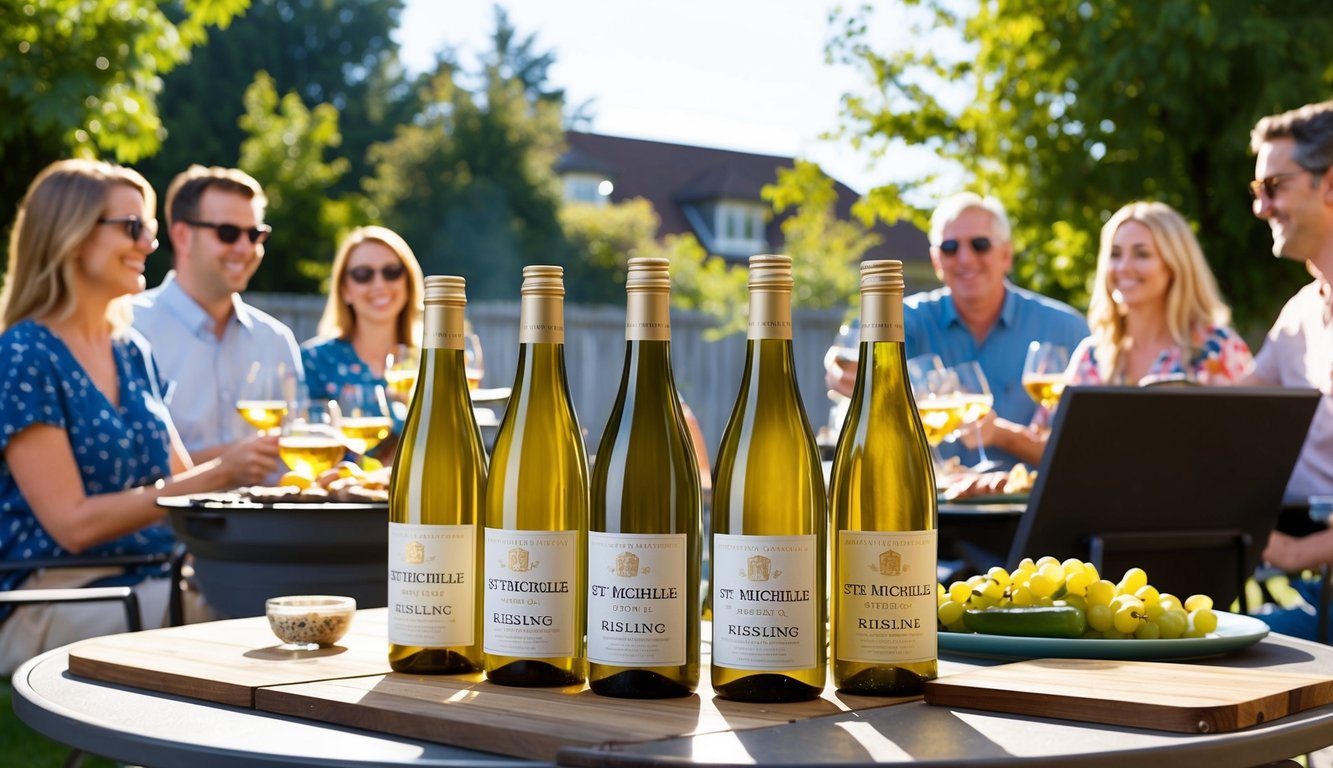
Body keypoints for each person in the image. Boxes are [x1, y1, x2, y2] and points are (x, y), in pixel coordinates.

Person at [0, 159, 275, 674]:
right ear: (72, 235)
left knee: (298, 593)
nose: (149, 243)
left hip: (157, 576)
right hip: (55, 594)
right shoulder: (24, 354)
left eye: (148, 227)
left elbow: (182, 483)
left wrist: (294, 485)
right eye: (132, 227)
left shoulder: (131, 350)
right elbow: (73, 526)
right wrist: (224, 472)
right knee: (244, 622)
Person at [827, 192, 1088, 469]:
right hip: (934, 506)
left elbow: (1085, 455)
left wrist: (1003, 435)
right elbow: (845, 359)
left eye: (980, 245)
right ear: (936, 260)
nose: (965, 258)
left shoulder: (1066, 329)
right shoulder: (904, 320)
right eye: (950, 247)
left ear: (1006, 255)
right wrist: (843, 369)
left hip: (1031, 508)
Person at [1235, 100, 1333, 641]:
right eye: (1258, 191)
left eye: (1273, 186)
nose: (1261, 207)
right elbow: (1225, 409)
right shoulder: (1301, 312)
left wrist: (1300, 550)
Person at [131, 165, 296, 474]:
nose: (246, 248)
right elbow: (125, 466)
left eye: (255, 234)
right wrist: (226, 464)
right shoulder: (130, 328)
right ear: (181, 236)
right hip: (168, 521)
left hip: (273, 522)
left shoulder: (276, 339)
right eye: (228, 233)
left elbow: (296, 448)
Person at [1068, 201, 1252, 386]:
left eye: (1142, 254)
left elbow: (1251, 414)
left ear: (1174, 265)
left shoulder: (1217, 349)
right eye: (1115, 254)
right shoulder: (1091, 356)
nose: (1124, 267)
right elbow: (1054, 415)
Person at [301, 226, 425, 462]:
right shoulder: (315, 360)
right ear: (345, 289)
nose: (379, 284)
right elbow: (305, 448)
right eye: (362, 274)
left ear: (408, 283)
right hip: (339, 496)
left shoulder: (431, 362)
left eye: (392, 272)